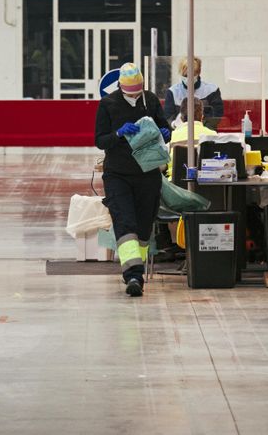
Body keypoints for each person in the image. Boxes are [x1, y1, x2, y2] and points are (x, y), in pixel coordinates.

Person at [95, 63, 171, 297]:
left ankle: (136, 270)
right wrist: (118, 134)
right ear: (120, 87)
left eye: (138, 92)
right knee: (125, 221)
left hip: (148, 174)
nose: (135, 97)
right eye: (131, 93)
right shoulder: (108, 104)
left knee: (143, 224)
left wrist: (165, 132)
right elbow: (100, 140)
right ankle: (133, 276)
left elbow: (163, 127)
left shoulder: (149, 100)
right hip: (118, 173)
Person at [163, 56, 223, 127]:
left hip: (205, 132)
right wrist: (174, 124)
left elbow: (216, 116)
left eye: (192, 75)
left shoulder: (212, 91)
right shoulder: (173, 92)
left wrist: (200, 127)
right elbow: (168, 117)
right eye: (185, 75)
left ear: (198, 72)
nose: (188, 78)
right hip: (180, 132)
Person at [166, 97, 217, 180]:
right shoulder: (213, 135)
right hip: (207, 186)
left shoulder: (173, 136)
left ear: (181, 118)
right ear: (202, 117)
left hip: (176, 187)